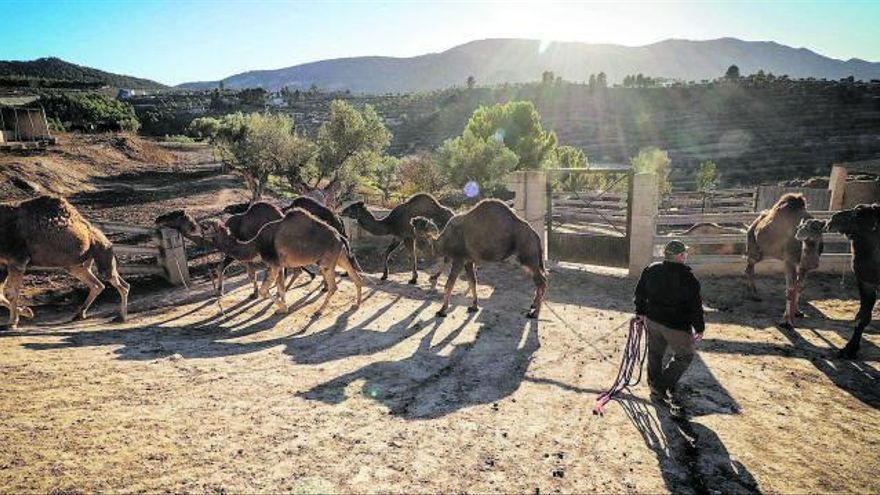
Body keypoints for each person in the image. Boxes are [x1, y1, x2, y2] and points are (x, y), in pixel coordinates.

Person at [634, 240, 705, 409]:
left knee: (655, 353)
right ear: (680, 256)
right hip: (676, 326)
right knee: (685, 355)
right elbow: (695, 306)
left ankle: (654, 386)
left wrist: (640, 312)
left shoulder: (652, 269)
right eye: (684, 254)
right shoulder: (688, 278)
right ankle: (659, 386)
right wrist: (699, 327)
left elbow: (640, 292)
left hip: (652, 320)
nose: (686, 256)